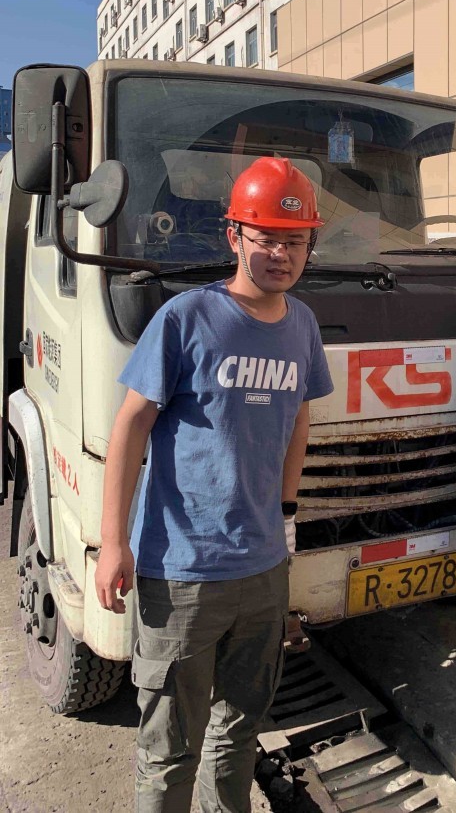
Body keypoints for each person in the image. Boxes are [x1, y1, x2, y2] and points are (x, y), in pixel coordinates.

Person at [95, 157, 334, 813]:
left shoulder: (302, 325)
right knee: (170, 749)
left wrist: (286, 516)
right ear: (234, 236)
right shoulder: (186, 318)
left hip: (263, 571)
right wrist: (113, 543)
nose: (281, 255)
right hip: (182, 574)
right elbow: (129, 427)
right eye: (267, 239)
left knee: (238, 733)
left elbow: (298, 419)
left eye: (295, 241)